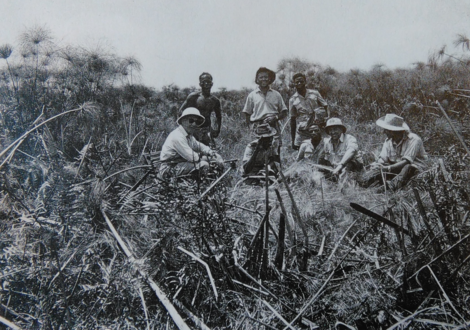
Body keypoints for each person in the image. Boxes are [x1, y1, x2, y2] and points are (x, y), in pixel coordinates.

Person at [361, 114, 428, 191]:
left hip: (415, 170)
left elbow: (406, 162)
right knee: (370, 176)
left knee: (408, 168)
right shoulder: (388, 141)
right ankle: (367, 182)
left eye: (386, 130)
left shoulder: (414, 140)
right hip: (396, 169)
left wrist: (387, 168)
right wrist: (377, 165)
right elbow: (383, 159)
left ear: (393, 131)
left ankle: (390, 187)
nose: (384, 132)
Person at [159, 108, 224, 179]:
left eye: (197, 122)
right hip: (169, 168)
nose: (194, 124)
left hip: (181, 164)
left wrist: (210, 152)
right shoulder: (177, 136)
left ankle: (217, 183)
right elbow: (192, 157)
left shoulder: (189, 136)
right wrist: (206, 158)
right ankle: (204, 186)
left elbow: (199, 146)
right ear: (183, 121)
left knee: (216, 158)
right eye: (191, 121)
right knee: (204, 165)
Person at [242, 67, 288, 159]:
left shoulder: (276, 94)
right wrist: (251, 128)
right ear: (257, 80)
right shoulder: (252, 95)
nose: (264, 79)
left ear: (270, 79)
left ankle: (274, 172)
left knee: (275, 152)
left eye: (266, 77)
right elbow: (247, 113)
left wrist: (275, 118)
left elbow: (284, 112)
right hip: (257, 127)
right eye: (261, 77)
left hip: (273, 126)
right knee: (256, 153)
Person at [179, 72, 222, 147]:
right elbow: (181, 112)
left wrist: (217, 130)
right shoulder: (194, 97)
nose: (206, 84)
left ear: (212, 84)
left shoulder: (214, 100)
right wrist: (185, 128)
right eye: (203, 82)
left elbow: (219, 116)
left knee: (210, 151)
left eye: (208, 82)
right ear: (200, 84)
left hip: (207, 130)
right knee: (192, 153)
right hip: (193, 130)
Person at [289, 73, 329, 150]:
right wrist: (293, 140)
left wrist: (326, 119)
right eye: (297, 82)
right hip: (304, 129)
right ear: (294, 84)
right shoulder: (292, 99)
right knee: (302, 149)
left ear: (305, 82)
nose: (299, 83)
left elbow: (325, 106)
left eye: (301, 81)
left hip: (318, 126)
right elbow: (292, 120)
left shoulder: (315, 93)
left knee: (325, 147)